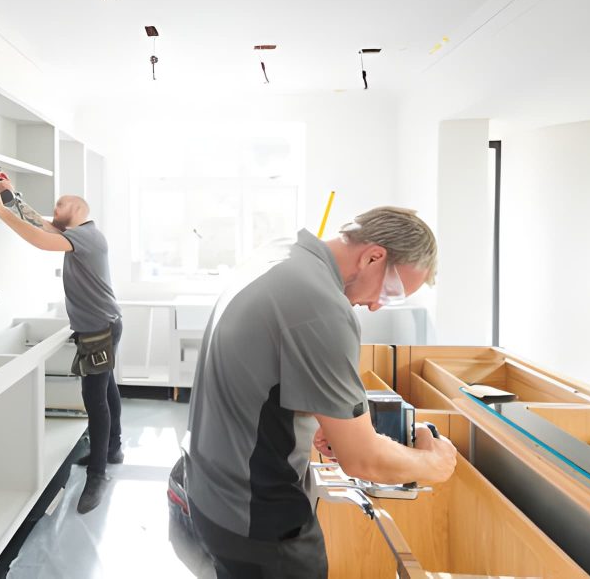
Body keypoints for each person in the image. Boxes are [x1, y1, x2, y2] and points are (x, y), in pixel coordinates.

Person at [185, 206, 458, 579]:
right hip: (257, 519)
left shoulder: (283, 251)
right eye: (390, 291)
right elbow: (363, 460)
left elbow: (262, 366)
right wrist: (434, 463)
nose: (376, 305)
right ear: (373, 256)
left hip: (210, 492)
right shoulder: (321, 306)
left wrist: (323, 418)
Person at [0, 181, 123, 515]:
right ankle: (113, 449)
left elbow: (40, 239)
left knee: (95, 399)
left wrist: (0, 211)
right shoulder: (79, 235)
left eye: (60, 205)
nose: (55, 209)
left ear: (78, 209)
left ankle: (97, 476)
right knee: (107, 387)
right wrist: (12, 196)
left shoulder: (87, 237)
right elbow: (42, 225)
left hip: (99, 330)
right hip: (102, 325)